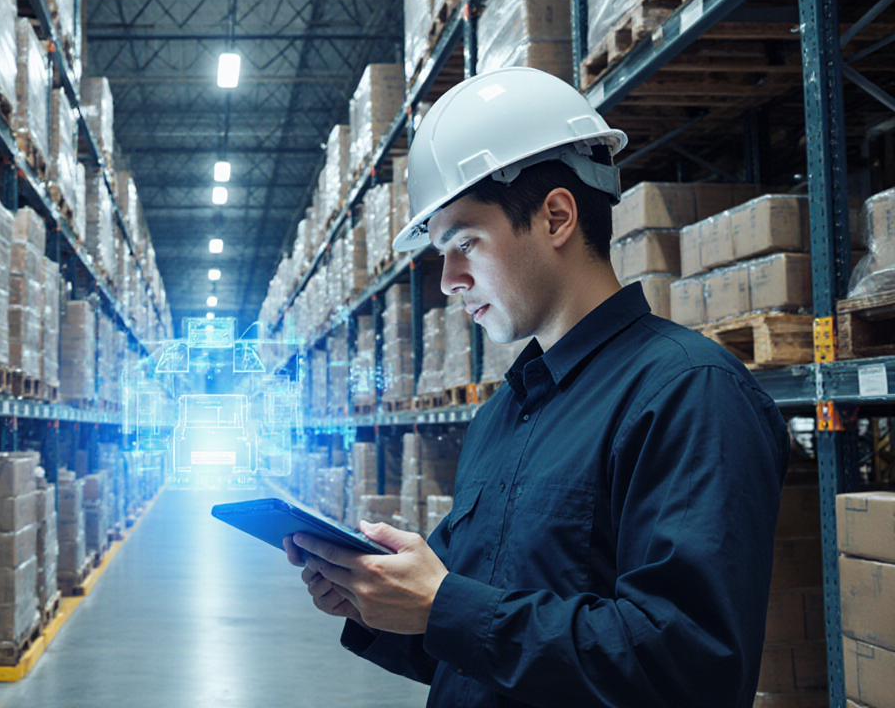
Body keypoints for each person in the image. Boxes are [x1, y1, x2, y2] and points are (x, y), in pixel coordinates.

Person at [284, 68, 788, 707]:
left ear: (555, 217)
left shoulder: (689, 394)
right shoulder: (503, 413)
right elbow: (469, 646)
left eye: (464, 242)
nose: (448, 280)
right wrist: (371, 599)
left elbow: (688, 666)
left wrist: (445, 607)